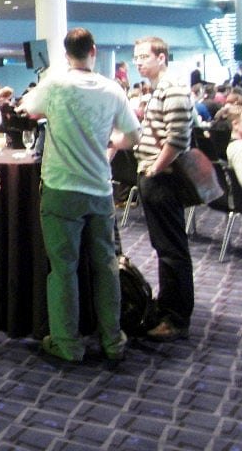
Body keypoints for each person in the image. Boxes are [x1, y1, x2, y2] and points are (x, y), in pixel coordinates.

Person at [20, 28, 142, 362]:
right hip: (99, 189)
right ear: (93, 51)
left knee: (63, 269)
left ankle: (68, 343)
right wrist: (112, 142)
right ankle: (112, 339)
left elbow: (28, 110)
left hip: (61, 188)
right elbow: (133, 136)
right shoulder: (112, 89)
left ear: (66, 54)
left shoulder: (55, 84)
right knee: (106, 265)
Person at [133, 35, 195, 342]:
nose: (138, 62)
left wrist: (156, 167)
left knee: (172, 249)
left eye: (144, 56)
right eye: (136, 57)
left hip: (164, 178)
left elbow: (178, 138)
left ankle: (176, 317)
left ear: (161, 57)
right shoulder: (160, 89)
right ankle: (169, 305)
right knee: (165, 247)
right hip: (156, 176)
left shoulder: (173, 88)